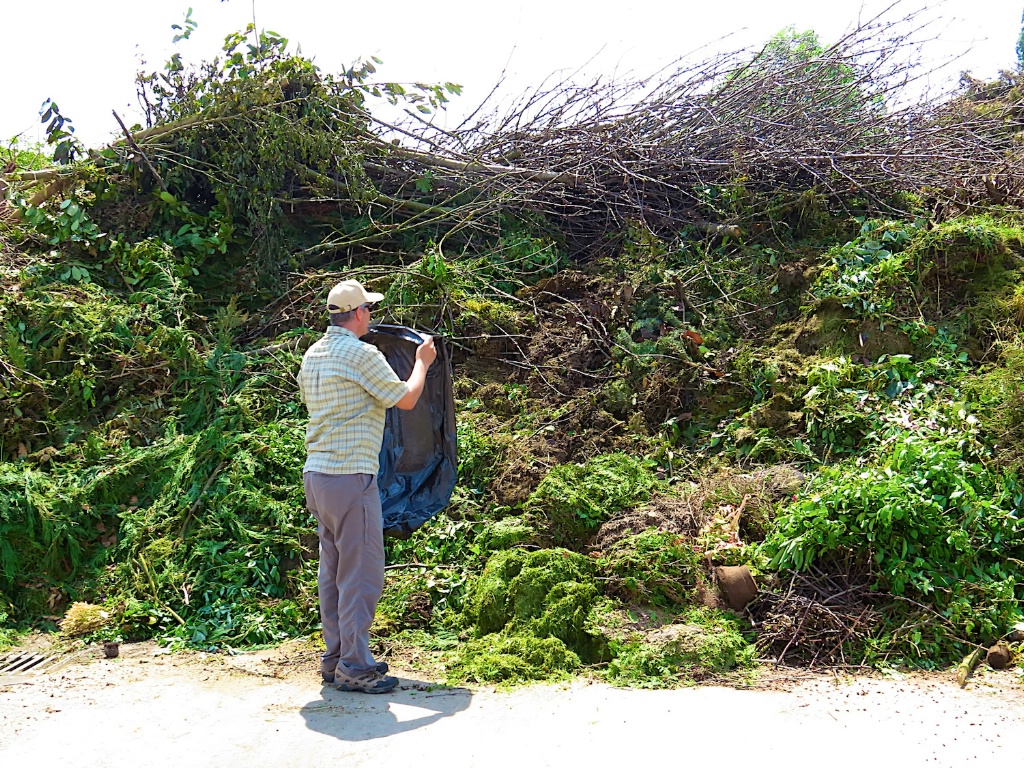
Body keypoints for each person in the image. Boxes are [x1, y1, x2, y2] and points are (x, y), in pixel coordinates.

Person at [298, 279, 436, 694]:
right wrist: (423, 361)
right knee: (360, 574)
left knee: (333, 569)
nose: (371, 315)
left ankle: (336, 658)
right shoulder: (361, 354)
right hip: (350, 477)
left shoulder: (313, 354)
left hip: (317, 476)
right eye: (369, 309)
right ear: (357, 313)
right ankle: (355, 667)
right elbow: (406, 399)